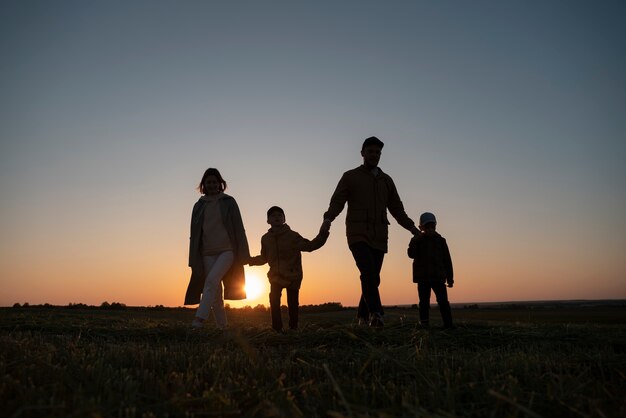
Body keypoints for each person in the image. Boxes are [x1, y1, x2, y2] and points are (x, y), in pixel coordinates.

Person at [322, 136, 419, 327]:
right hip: (357, 233)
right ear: (362, 153)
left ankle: (362, 316)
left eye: (377, 152)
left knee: (373, 277)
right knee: (368, 272)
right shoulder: (350, 176)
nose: (374, 155)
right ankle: (376, 313)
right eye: (370, 151)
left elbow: (397, 209)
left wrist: (412, 228)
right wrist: (328, 218)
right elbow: (337, 201)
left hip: (380, 235)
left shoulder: (387, 181)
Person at [184, 168, 250, 329]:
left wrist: (244, 253)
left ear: (220, 183)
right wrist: (193, 257)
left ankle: (199, 319)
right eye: (208, 182)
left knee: (211, 280)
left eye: (214, 182)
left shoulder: (229, 201)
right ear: (204, 185)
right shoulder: (198, 206)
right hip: (206, 253)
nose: (212, 185)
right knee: (215, 294)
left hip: (227, 251)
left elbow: (239, 227)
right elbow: (194, 234)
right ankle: (222, 327)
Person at [249, 206, 330, 332]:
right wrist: (249, 260)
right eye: (273, 216)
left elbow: (310, 246)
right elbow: (264, 258)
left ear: (284, 219)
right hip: (275, 276)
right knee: (274, 300)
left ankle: (293, 328)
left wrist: (323, 233)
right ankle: (277, 329)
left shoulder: (293, 236)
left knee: (292, 303)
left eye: (279, 215)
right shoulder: (265, 239)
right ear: (268, 220)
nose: (277, 217)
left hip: (293, 275)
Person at [407, 212, 454, 329]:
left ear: (435, 226)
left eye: (432, 226)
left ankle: (448, 325)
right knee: (423, 303)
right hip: (423, 278)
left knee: (443, 302)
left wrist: (450, 279)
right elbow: (411, 254)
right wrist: (414, 240)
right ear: (421, 228)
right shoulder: (418, 240)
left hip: (438, 278)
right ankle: (424, 325)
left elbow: (447, 261)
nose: (430, 229)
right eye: (427, 227)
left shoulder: (441, 241)